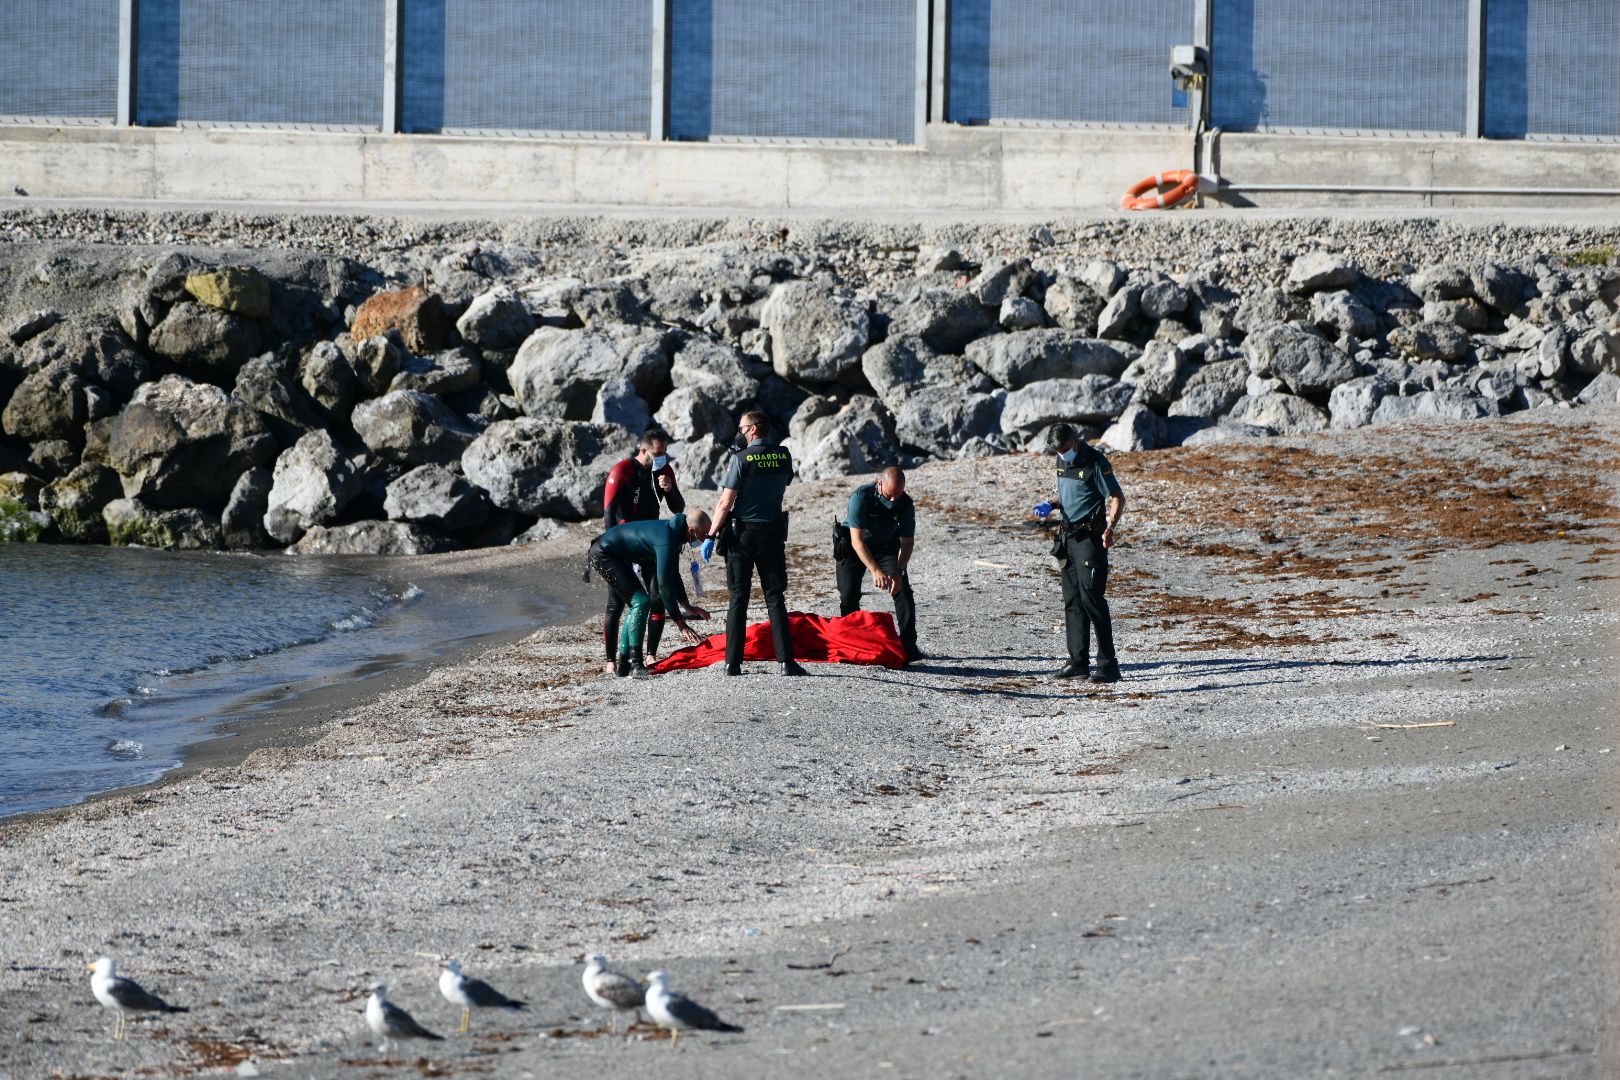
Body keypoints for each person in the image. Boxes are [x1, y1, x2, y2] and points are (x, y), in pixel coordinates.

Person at [709, 410, 806, 677]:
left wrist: (711, 534)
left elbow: (725, 502)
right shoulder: (783, 455)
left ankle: (732, 663)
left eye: (741, 429)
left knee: (739, 597)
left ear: (752, 430)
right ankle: (786, 661)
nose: (739, 433)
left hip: (743, 535)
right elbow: (783, 481)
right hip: (772, 534)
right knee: (775, 596)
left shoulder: (739, 459)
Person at [1037, 422, 1126, 682]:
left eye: (1064, 449)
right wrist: (1051, 503)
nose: (1062, 455)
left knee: (1092, 599)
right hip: (1068, 537)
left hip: (1090, 537)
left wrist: (1110, 527)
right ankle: (1077, 661)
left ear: (1075, 441)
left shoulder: (1096, 462)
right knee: (1073, 601)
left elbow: (1117, 497)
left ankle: (1109, 665)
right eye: (1057, 451)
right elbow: (1068, 493)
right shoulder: (1061, 460)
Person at [600, 427, 686, 665]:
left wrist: (669, 489)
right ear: (643, 449)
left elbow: (678, 508)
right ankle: (611, 660)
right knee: (617, 602)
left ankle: (650, 654)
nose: (660, 458)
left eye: (664, 453)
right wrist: (614, 548)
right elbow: (608, 511)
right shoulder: (623, 470)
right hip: (624, 540)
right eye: (656, 453)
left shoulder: (664, 470)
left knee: (656, 597)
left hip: (650, 542)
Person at [588, 511, 711, 677]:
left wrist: (686, 604)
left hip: (615, 554)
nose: (704, 540)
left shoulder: (675, 535)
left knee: (637, 603)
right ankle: (635, 663)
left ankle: (624, 663)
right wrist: (680, 623)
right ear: (691, 531)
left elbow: (674, 575)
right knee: (641, 602)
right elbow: (663, 583)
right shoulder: (667, 539)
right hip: (603, 553)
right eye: (703, 535)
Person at [835, 467, 921, 664]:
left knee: (903, 590)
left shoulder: (905, 503)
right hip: (854, 547)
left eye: (897, 496)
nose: (892, 501)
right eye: (889, 495)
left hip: (885, 547)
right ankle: (851, 643)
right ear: (880, 484)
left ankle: (909, 645)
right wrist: (875, 570)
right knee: (848, 593)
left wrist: (898, 571)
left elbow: (907, 542)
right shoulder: (861, 497)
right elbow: (857, 541)